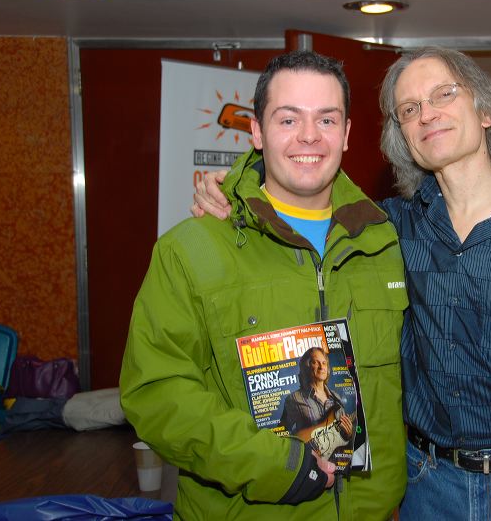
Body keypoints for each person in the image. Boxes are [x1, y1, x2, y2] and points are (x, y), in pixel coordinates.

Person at [193, 46, 491, 520]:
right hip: (426, 486)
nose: (427, 114)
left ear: (486, 111)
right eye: (409, 109)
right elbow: (298, 196)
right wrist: (231, 190)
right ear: (403, 137)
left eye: (444, 94)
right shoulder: (389, 227)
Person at [120, 50, 408, 521]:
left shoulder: (386, 242)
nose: (309, 135)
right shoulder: (190, 250)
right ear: (256, 132)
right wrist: (277, 466)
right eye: (288, 119)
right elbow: (157, 393)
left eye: (326, 119)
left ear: (347, 134)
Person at [280, 347, 355, 460]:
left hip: (333, 464)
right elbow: (282, 435)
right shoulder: (294, 399)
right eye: (316, 362)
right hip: (307, 463)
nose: (321, 367)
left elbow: (341, 442)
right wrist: (302, 451)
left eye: (324, 363)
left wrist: (348, 434)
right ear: (306, 366)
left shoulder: (336, 398)